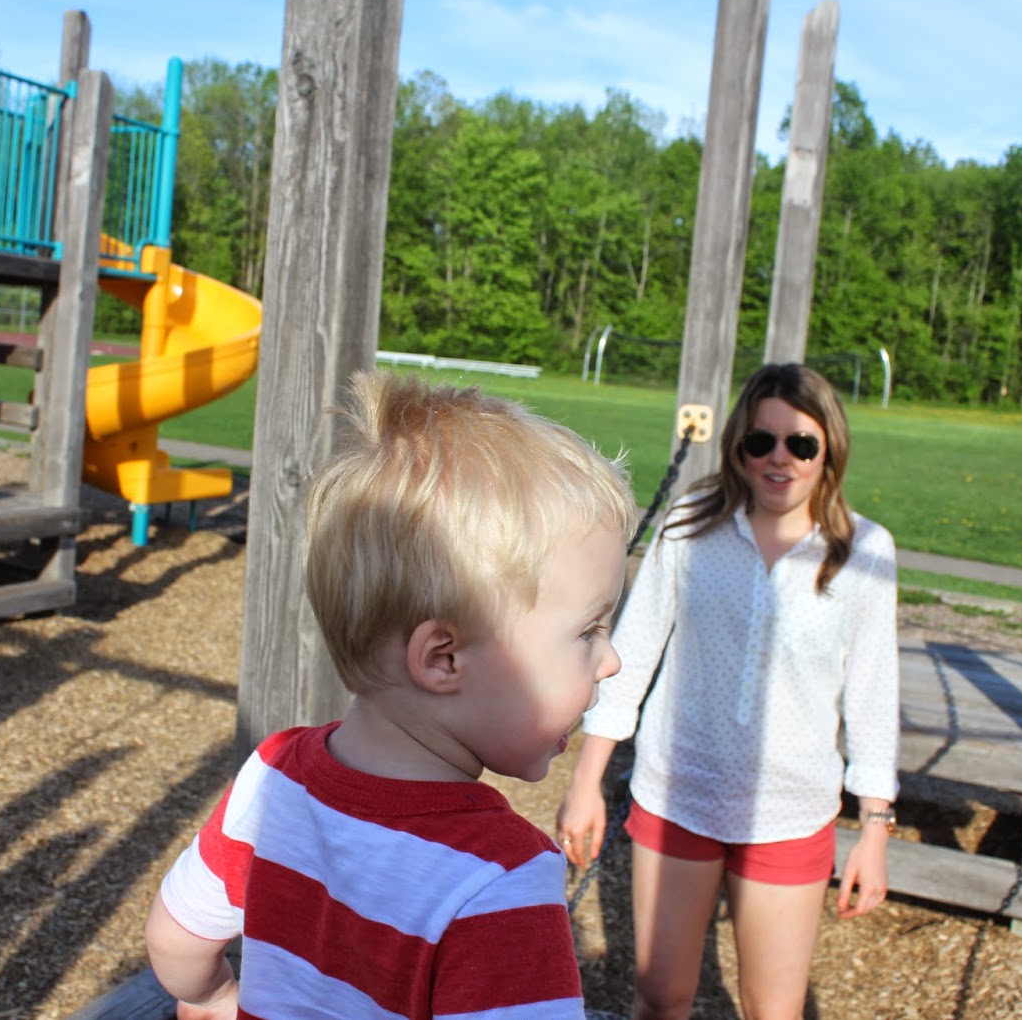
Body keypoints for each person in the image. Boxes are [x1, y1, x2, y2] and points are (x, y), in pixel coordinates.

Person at [145, 370, 637, 1019]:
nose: (611, 661)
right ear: (443, 657)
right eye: (588, 632)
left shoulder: (275, 773)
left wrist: (210, 998)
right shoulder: (499, 877)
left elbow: (176, 936)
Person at [556, 363, 899, 1020]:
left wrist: (876, 827)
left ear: (829, 450)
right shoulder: (690, 525)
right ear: (737, 445)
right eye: (760, 442)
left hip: (791, 814)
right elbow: (632, 653)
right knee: (661, 998)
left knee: (773, 1011)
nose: (779, 460)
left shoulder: (865, 552)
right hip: (678, 793)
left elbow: (873, 698)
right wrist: (586, 780)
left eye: (801, 444)